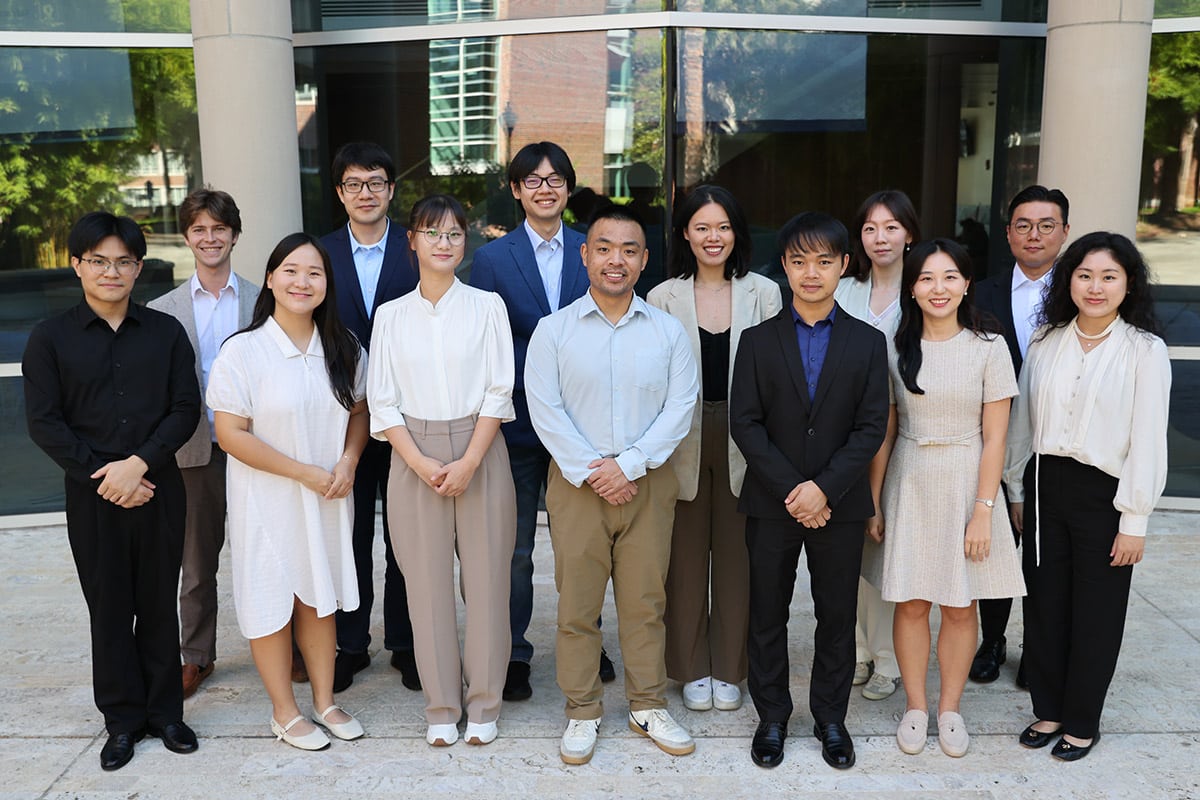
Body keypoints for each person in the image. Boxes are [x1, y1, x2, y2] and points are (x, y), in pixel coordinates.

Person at [24, 212, 201, 770]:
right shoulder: (50, 339)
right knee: (108, 608)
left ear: (138, 268)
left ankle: (166, 714)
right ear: (77, 265)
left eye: (124, 261)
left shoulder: (165, 333)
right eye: (98, 261)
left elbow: (184, 409)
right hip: (92, 495)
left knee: (156, 604)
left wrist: (140, 464)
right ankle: (122, 721)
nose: (111, 271)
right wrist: (108, 476)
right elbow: (45, 423)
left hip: (159, 489)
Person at [525, 204, 699, 766]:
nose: (615, 260)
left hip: (647, 484)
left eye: (629, 249)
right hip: (577, 486)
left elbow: (680, 407)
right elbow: (544, 409)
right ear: (585, 255)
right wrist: (594, 468)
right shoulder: (554, 332)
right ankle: (582, 710)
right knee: (577, 606)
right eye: (604, 248)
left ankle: (647, 703)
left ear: (644, 260)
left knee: (645, 602)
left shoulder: (669, 331)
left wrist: (630, 464)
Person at [730, 211, 888, 771]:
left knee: (836, 615)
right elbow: (744, 423)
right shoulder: (756, 340)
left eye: (824, 261)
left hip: (839, 506)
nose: (811, 273)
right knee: (767, 613)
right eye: (799, 262)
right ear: (786, 269)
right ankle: (771, 716)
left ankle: (830, 718)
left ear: (845, 265)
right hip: (772, 504)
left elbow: (871, 427)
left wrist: (823, 489)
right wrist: (794, 489)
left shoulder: (868, 343)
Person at [1005, 232, 1170, 762]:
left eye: (1109, 276)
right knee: (1046, 606)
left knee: (1096, 611)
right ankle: (1048, 708)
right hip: (1044, 484)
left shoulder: (1145, 350)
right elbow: (1022, 425)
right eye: (1084, 275)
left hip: (1106, 494)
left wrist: (1135, 519)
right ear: (1068, 279)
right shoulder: (1046, 339)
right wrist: (1014, 488)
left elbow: (1147, 438)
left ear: (1128, 284)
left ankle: (1081, 719)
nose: (1095, 286)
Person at [207, 232, 368, 751]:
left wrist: (347, 461)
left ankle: (325, 700)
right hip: (266, 501)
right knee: (271, 600)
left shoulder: (344, 347)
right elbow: (230, 434)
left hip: (326, 496)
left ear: (327, 284)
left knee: (319, 600)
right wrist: (303, 472)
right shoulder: (244, 350)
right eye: (291, 270)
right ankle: (284, 710)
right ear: (271, 278)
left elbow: (360, 413)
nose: (303, 281)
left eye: (315, 273)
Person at [368, 194, 517, 747]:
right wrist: (420, 461)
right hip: (413, 454)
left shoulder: (487, 307)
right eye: (432, 233)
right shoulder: (391, 316)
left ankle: (484, 704)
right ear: (412, 240)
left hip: (480, 446)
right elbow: (381, 401)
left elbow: (500, 389)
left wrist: (470, 461)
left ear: (466, 242)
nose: (444, 243)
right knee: (424, 587)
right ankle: (440, 706)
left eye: (454, 234)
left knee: (486, 584)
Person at [871, 238, 1025, 759]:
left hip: (967, 481)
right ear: (911, 288)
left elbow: (996, 438)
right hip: (910, 478)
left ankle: (950, 708)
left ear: (966, 283)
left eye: (950, 277)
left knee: (961, 605)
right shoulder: (893, 348)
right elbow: (886, 432)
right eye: (927, 279)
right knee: (912, 601)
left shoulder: (989, 346)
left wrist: (984, 511)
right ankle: (916, 706)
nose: (939, 289)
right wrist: (874, 500)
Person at [468, 142, 610, 702]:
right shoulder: (492, 260)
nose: (544, 188)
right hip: (520, 426)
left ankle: (588, 643)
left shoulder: (593, 248)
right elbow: (485, 346)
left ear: (569, 188)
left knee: (588, 546)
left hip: (588, 425)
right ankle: (514, 652)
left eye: (555, 179)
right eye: (533, 180)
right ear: (515, 189)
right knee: (517, 548)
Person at [647, 185, 782, 713]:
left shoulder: (764, 292)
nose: (713, 237)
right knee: (681, 559)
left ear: (736, 233)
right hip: (678, 433)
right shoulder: (661, 297)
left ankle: (729, 668)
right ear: (685, 232)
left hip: (745, 433)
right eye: (702, 227)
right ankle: (688, 666)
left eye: (723, 227)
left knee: (737, 557)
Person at [148, 188, 258, 699]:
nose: (209, 238)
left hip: (259, 449)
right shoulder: (162, 309)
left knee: (272, 550)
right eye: (199, 230)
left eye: (219, 228)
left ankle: (294, 648)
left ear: (234, 234)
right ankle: (196, 655)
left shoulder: (266, 298)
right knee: (196, 564)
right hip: (194, 451)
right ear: (187, 237)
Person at [320, 141, 420, 693]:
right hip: (346, 416)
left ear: (390, 189)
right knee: (350, 534)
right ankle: (351, 643)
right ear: (340, 193)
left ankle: (405, 643)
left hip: (408, 414)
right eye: (354, 184)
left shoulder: (417, 246)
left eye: (376, 182)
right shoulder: (320, 252)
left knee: (405, 535)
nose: (366, 193)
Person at [970, 185, 1071, 686]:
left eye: (1046, 225)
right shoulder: (981, 293)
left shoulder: (1081, 293)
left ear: (1064, 232)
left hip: (1057, 443)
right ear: (1008, 233)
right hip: (994, 439)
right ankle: (992, 641)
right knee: (991, 547)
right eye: (1024, 225)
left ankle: (1040, 647)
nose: (1035, 235)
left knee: (1045, 554)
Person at [836, 189, 921, 702]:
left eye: (891, 227)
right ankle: (858, 650)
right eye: (870, 228)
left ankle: (888, 658)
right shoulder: (844, 290)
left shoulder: (925, 288)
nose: (880, 237)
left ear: (909, 233)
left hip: (905, 438)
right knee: (851, 550)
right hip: (845, 439)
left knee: (890, 548)